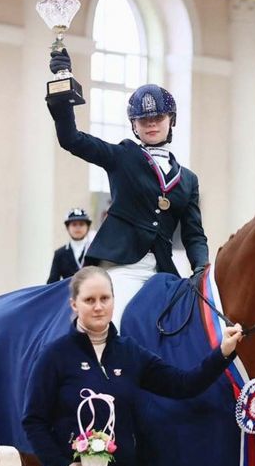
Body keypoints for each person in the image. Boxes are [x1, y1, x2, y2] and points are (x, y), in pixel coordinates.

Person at [22, 266, 243, 466]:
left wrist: (223, 353)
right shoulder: (54, 356)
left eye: (104, 298)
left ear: (113, 301)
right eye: (89, 300)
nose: (98, 307)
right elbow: (34, 421)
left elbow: (184, 384)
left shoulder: (130, 353)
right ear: (74, 305)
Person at [47, 49, 209, 327]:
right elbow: (71, 139)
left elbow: (194, 235)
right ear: (134, 125)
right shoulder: (122, 156)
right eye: (143, 120)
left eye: (158, 118)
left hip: (164, 271)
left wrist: (202, 269)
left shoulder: (188, 180)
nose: (151, 124)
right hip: (121, 267)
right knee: (114, 325)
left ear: (171, 120)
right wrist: (63, 90)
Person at [47, 208, 93, 284]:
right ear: (67, 227)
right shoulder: (59, 253)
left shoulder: (94, 250)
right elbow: (52, 282)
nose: (78, 228)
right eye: (74, 224)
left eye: (81, 224)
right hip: (68, 294)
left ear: (87, 227)